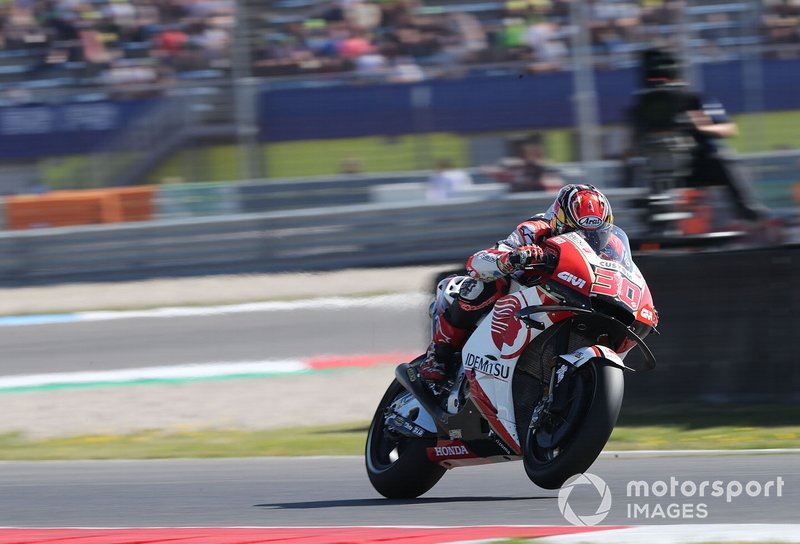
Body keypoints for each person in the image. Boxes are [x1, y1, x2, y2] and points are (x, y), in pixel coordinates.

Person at [419, 184, 615, 382]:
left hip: (568, 303)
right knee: (483, 284)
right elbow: (478, 262)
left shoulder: (612, 249)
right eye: (578, 233)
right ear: (559, 222)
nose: (588, 241)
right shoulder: (535, 230)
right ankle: (438, 355)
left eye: (596, 234)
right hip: (521, 297)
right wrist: (512, 258)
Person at [628, 48, 768, 222]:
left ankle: (746, 207)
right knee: (635, 166)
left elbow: (729, 129)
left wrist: (701, 126)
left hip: (697, 165)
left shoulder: (693, 100)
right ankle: (646, 218)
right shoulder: (643, 107)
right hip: (657, 168)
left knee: (723, 159)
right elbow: (633, 144)